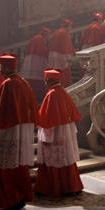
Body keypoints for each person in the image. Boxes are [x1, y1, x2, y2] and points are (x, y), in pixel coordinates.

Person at [0, 53, 39, 210]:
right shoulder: (23, 82)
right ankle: (17, 199)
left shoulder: (8, 84)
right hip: (20, 131)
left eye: (0, 67)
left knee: (1, 169)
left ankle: (10, 202)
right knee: (16, 168)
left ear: (6, 68)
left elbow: (3, 113)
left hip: (8, 131)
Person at [33, 68, 84, 197]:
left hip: (56, 133)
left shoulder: (52, 94)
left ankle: (55, 188)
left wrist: (45, 135)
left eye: (46, 81)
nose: (45, 84)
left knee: (54, 159)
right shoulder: (63, 92)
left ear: (50, 81)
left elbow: (48, 119)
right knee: (66, 159)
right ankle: (71, 187)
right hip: (65, 132)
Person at [21, 27, 51, 101]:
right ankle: (39, 93)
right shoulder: (40, 39)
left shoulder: (35, 37)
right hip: (35, 60)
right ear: (45, 34)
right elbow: (42, 52)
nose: (47, 38)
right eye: (47, 36)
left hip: (30, 59)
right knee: (38, 76)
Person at [48, 19, 75, 88]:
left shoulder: (57, 32)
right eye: (70, 26)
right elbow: (65, 48)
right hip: (61, 57)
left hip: (53, 56)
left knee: (55, 73)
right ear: (68, 26)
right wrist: (69, 60)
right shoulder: (64, 33)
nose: (71, 28)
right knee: (64, 75)